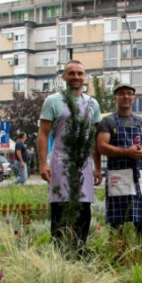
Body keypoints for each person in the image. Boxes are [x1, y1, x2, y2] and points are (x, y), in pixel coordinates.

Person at [38, 59, 102, 249]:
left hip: (84, 165)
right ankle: (58, 255)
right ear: (64, 76)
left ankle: (79, 252)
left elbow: (95, 139)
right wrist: (43, 163)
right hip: (60, 163)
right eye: (72, 73)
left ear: (84, 77)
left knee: (84, 211)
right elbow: (43, 133)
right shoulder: (53, 101)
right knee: (60, 211)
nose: (76, 77)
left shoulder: (92, 103)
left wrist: (98, 167)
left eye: (80, 73)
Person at [96, 83, 142, 241]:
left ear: (134, 98)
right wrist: (127, 152)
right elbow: (101, 146)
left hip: (139, 175)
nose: (126, 96)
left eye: (129, 93)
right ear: (115, 98)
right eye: (121, 93)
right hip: (118, 175)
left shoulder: (141, 122)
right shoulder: (108, 122)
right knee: (117, 222)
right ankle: (117, 251)